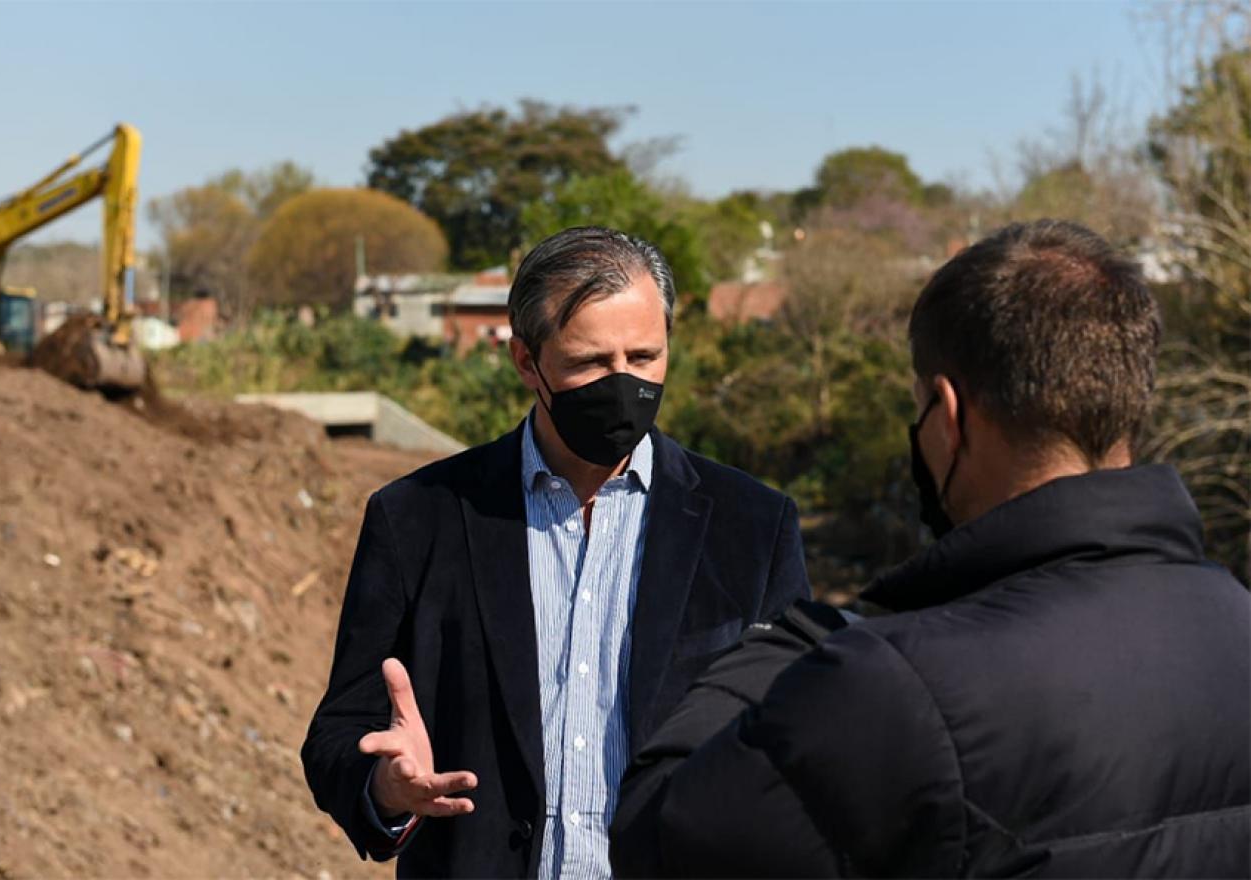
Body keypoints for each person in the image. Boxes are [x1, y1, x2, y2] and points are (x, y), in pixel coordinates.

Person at [610, 219, 1251, 878]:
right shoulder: (1237, 623)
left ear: (947, 416)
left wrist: (784, 641)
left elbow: (662, 837)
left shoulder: (895, 684)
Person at [301, 226, 811, 878]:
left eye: (645, 357)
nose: (624, 383)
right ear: (525, 362)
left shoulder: (754, 529)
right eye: (591, 364)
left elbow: (798, 743)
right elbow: (341, 733)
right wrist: (386, 788)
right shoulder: (417, 518)